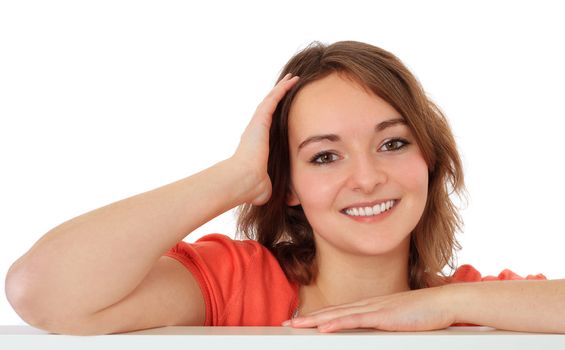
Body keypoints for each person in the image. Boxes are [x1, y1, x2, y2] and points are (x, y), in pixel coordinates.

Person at [4, 40, 562, 336]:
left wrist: (442, 305)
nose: (366, 177)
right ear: (287, 184)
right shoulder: (237, 285)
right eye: (324, 155)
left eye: (392, 143)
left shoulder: (469, 303)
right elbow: (40, 292)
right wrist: (234, 179)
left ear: (430, 158)